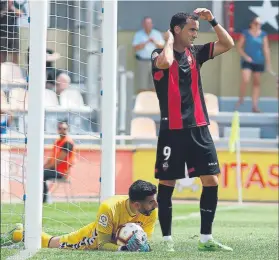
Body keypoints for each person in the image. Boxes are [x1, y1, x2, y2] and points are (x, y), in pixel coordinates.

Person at [151, 10, 234, 252]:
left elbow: (227, 43)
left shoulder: (195, 53)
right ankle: (167, 241)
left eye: (197, 30)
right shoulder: (158, 54)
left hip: (199, 127)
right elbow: (166, 62)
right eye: (192, 29)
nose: (196, 34)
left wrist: (213, 21)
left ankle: (206, 238)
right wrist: (167, 40)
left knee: (211, 180)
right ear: (177, 29)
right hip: (172, 130)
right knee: (167, 183)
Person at [1, 180, 157, 252]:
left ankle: (21, 232)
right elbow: (102, 245)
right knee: (52, 243)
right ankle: (20, 233)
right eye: (151, 202)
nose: (155, 205)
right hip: (92, 238)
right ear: (136, 204)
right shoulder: (109, 208)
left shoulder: (151, 211)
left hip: (113, 239)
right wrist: (123, 249)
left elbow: (145, 240)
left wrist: (141, 246)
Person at [236, 16, 273, 113]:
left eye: (260, 24)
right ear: (251, 24)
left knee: (257, 83)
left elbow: (266, 49)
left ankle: (255, 106)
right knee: (246, 79)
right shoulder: (246, 33)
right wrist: (246, 56)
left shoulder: (263, 35)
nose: (258, 25)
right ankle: (241, 99)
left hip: (259, 61)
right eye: (256, 23)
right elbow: (239, 47)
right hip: (247, 61)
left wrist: (268, 64)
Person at [43, 120, 75, 203]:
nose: (62, 130)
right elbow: (52, 158)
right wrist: (44, 166)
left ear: (68, 129)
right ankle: (44, 196)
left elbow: (58, 161)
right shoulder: (57, 142)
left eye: (64, 129)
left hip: (62, 172)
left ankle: (44, 198)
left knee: (41, 174)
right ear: (58, 130)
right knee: (40, 173)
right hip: (55, 169)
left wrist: (46, 167)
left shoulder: (68, 143)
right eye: (60, 128)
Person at [132, 16, 165, 92]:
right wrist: (146, 42)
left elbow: (162, 47)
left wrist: (154, 42)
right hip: (142, 61)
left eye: (149, 23)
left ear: (152, 24)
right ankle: (142, 102)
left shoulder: (156, 34)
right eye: (146, 23)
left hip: (155, 62)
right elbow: (135, 48)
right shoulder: (138, 34)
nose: (148, 25)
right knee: (142, 85)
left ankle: (153, 102)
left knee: (155, 84)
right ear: (143, 24)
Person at [0, 0, 23, 64]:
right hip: (2, 34)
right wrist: (6, 9)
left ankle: (15, 72)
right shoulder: (1, 3)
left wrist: (13, 8)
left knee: (15, 55)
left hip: (14, 34)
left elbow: (20, 14)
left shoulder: (16, 4)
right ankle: (2, 73)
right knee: (2, 56)